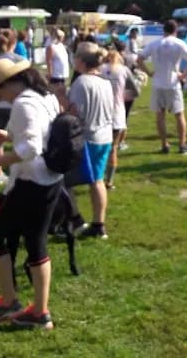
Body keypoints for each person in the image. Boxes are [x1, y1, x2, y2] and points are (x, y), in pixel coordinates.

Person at [0, 59, 62, 330]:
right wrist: (6, 135)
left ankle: (9, 301)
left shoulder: (23, 102)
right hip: (50, 179)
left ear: (7, 84)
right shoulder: (44, 96)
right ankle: (39, 312)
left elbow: (31, 147)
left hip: (29, 181)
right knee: (36, 242)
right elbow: (38, 134)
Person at [67, 42, 114, 239]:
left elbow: (75, 113)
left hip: (87, 138)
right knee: (97, 181)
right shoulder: (105, 82)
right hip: (105, 136)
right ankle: (98, 224)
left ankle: (75, 219)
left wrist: (61, 97)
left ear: (81, 60)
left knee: (63, 180)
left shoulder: (81, 82)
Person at [137, 20, 187, 155]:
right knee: (179, 114)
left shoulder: (154, 43)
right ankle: (182, 144)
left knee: (160, 115)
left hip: (158, 82)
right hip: (173, 82)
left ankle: (164, 144)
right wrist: (184, 75)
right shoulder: (179, 43)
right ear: (175, 31)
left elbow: (139, 59)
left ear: (163, 30)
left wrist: (148, 72)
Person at [101, 42, 128, 189]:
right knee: (113, 148)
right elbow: (134, 88)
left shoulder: (100, 70)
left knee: (100, 147)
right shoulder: (123, 70)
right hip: (117, 111)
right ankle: (109, 181)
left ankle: (97, 177)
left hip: (101, 112)